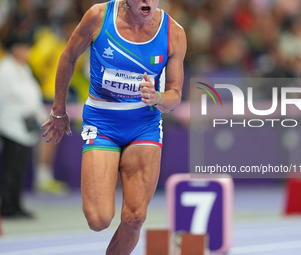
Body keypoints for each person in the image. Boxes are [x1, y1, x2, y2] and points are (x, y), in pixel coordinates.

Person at [41, 0, 186, 254]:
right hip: (102, 121)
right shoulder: (98, 16)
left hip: (144, 125)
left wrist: (158, 98)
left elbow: (175, 94)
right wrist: (58, 109)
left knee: (135, 217)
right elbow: (67, 58)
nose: (146, 2)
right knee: (98, 220)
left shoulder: (174, 32)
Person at [0, 31, 47, 218]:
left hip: (26, 127)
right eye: (23, 47)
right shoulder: (5, 70)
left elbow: (32, 96)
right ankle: (7, 206)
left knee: (19, 169)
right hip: (10, 126)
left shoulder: (24, 69)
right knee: (10, 168)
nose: (27, 51)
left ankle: (16, 204)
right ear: (14, 49)